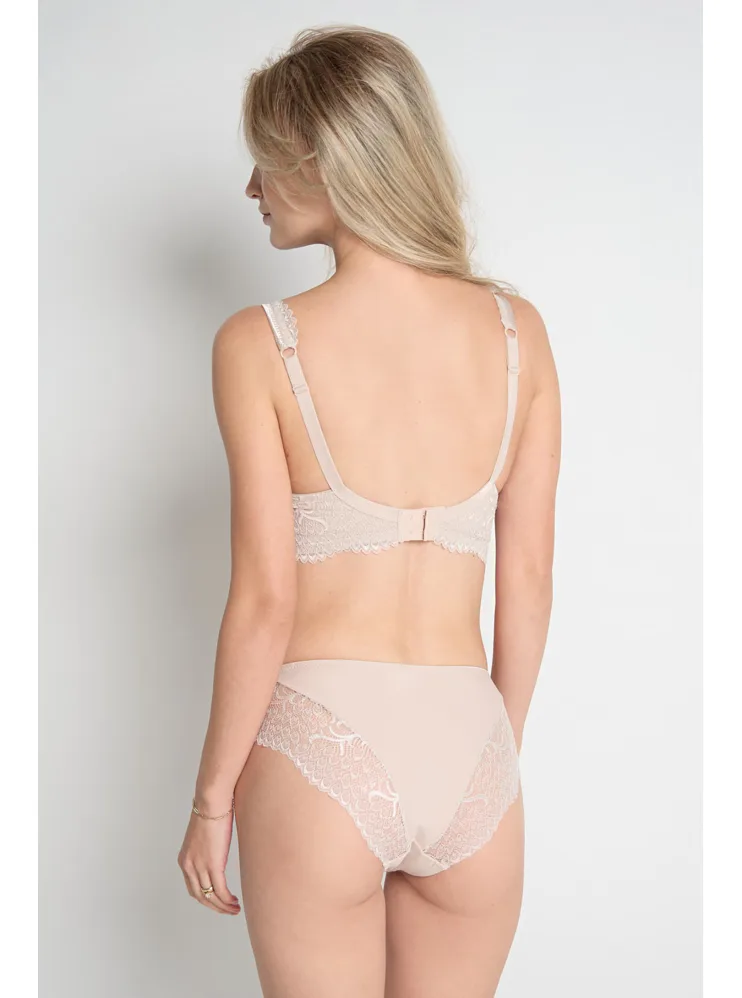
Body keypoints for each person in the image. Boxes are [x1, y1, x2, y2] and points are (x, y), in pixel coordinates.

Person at [178, 24, 560, 998]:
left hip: (322, 742)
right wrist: (493, 750)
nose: (252, 187)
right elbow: (526, 579)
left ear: (322, 158)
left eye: (265, 159)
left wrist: (212, 800)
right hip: (472, 744)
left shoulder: (259, 344)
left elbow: (265, 600)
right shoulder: (519, 334)